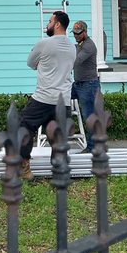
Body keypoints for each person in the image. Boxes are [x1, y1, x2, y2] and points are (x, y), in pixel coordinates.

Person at [18, 10, 75, 180]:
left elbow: (30, 63)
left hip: (43, 98)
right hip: (63, 101)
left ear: (57, 24)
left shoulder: (44, 44)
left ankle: (25, 169)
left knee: (25, 127)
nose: (47, 24)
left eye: (50, 21)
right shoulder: (72, 48)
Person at [71, 20, 100, 153]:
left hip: (88, 85)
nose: (76, 36)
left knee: (89, 116)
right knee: (58, 97)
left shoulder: (89, 46)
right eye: (74, 33)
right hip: (78, 84)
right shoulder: (79, 44)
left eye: (78, 33)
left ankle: (92, 147)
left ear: (85, 32)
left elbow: (76, 61)